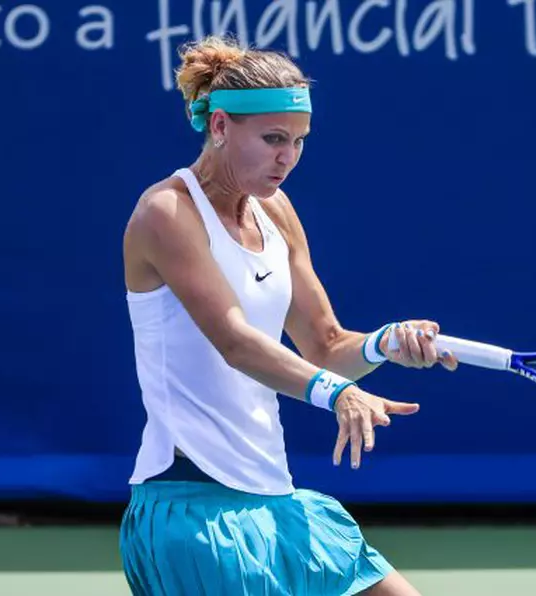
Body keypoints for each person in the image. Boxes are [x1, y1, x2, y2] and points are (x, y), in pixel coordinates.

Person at [119, 35, 458, 596]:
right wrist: (336, 393)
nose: (288, 157)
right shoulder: (167, 212)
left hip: (277, 498)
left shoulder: (274, 210)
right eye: (273, 138)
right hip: (194, 511)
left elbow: (325, 345)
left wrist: (383, 344)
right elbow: (236, 340)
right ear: (220, 126)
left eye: (299, 141)